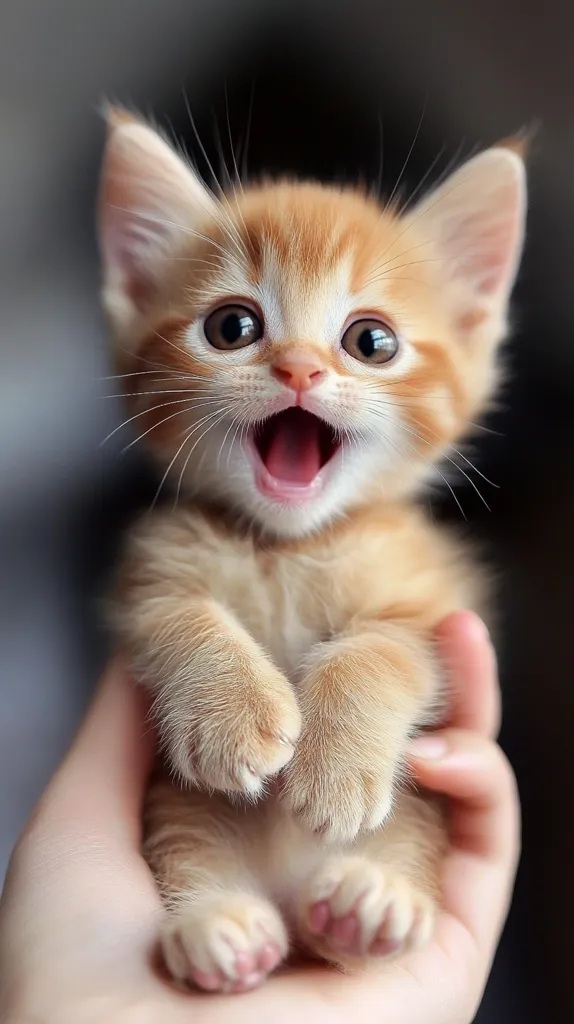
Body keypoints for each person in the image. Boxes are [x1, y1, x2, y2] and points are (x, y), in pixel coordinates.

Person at [0, 612, 519, 1024]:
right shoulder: (179, 543)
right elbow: (160, 612)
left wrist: (358, 690)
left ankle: (368, 907)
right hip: (218, 848)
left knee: (416, 806)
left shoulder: (402, 545)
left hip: (368, 851)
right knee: (186, 818)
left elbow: (421, 640)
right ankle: (216, 906)